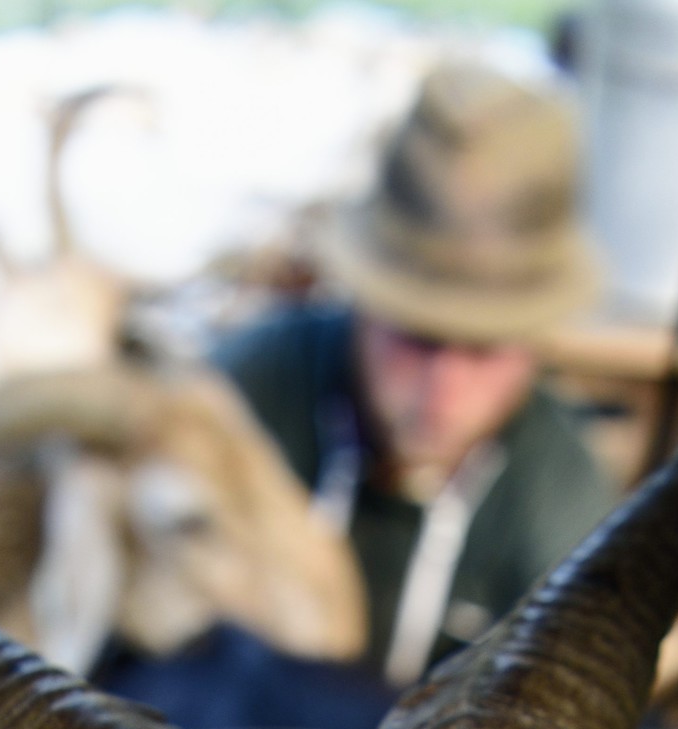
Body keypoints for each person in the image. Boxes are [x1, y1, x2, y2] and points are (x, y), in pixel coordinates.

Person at [217, 61, 615, 685]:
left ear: (538, 340)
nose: (444, 392)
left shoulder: (563, 514)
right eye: (417, 339)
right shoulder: (239, 404)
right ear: (363, 298)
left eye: (486, 350)